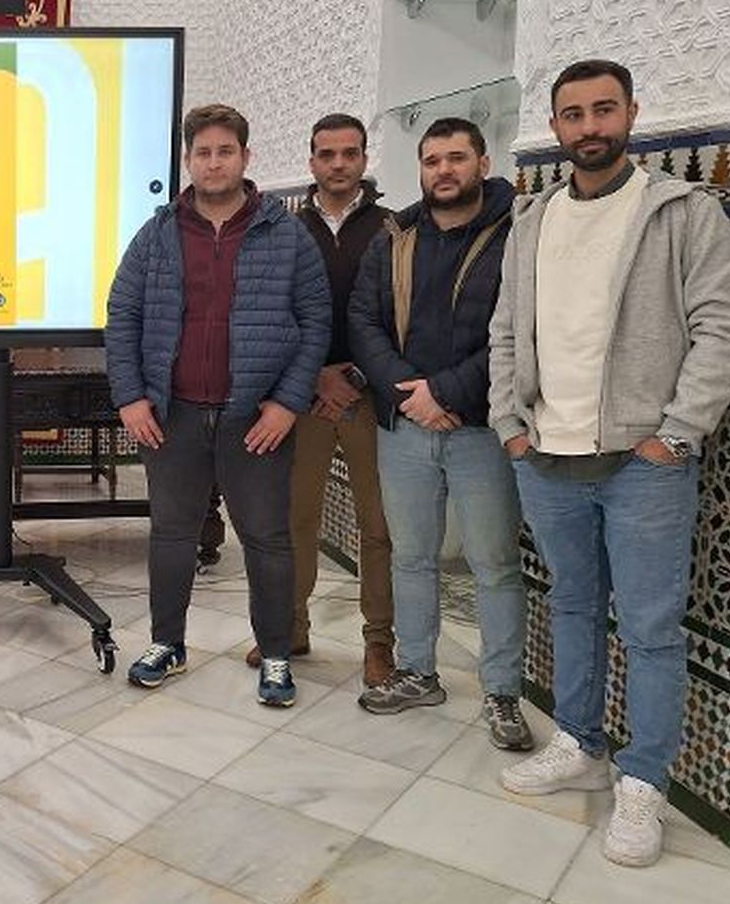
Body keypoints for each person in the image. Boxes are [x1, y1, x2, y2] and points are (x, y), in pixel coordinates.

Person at [492, 60, 730, 866]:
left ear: (632, 113)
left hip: (644, 462)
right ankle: (580, 740)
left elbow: (727, 328)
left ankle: (643, 783)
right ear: (557, 125)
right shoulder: (532, 219)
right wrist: (510, 424)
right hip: (547, 455)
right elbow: (507, 329)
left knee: (648, 628)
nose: (589, 126)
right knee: (572, 605)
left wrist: (674, 433)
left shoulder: (682, 211)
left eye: (604, 109)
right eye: (573, 114)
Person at [106, 103, 330, 707]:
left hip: (255, 419)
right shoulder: (157, 233)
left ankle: (277, 654)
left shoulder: (287, 235)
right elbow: (121, 314)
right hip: (171, 415)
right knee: (171, 535)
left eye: (224, 151)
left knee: (266, 539)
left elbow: (316, 323)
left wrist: (286, 404)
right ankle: (167, 645)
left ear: (245, 158)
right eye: (202, 152)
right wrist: (130, 396)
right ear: (189, 161)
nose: (213, 162)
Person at [348, 117, 531, 749]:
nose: (443, 171)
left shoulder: (517, 234)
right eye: (432, 161)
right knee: (413, 556)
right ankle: (418, 671)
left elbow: (518, 332)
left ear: (483, 162)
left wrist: (446, 392)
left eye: (457, 158)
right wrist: (411, 393)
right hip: (404, 425)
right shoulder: (395, 236)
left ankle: (503, 692)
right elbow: (363, 321)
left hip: (483, 426)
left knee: (495, 564)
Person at [245, 113, 395, 687]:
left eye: (349, 153)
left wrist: (354, 377)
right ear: (311, 161)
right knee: (294, 519)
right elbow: (269, 316)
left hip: (369, 396)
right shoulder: (283, 229)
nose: (338, 164)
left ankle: (379, 643)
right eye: (327, 154)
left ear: (363, 158)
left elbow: (395, 317)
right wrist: (312, 380)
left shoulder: (391, 228)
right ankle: (289, 629)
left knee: (376, 525)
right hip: (302, 397)